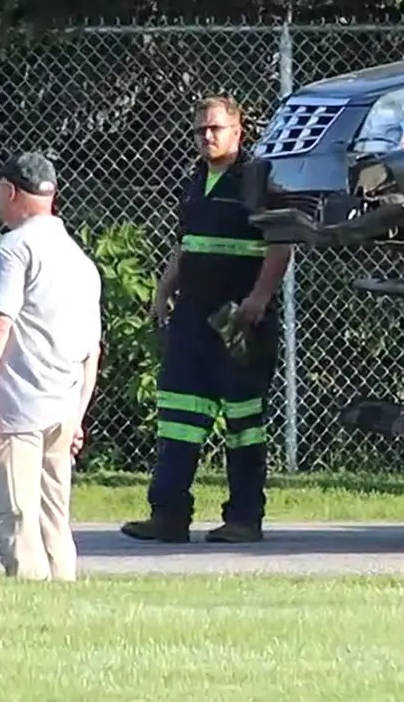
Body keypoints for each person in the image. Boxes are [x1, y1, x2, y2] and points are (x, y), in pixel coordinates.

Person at [123, 95, 291, 545]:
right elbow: (188, 243)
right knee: (177, 415)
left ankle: (243, 519)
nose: (207, 137)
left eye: (215, 129)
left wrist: (259, 298)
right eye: (200, 130)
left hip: (239, 318)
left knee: (243, 422)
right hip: (194, 317)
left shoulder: (258, 179)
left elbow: (280, 243)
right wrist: (163, 290)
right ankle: (168, 515)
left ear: (238, 132)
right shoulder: (196, 179)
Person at [0, 151, 102, 582]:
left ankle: (33, 610)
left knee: (14, 521)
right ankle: (64, 614)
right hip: (61, 409)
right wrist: (77, 416)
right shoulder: (80, 260)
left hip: (16, 410)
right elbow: (91, 350)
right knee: (54, 525)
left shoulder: (12, 250)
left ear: (11, 191)